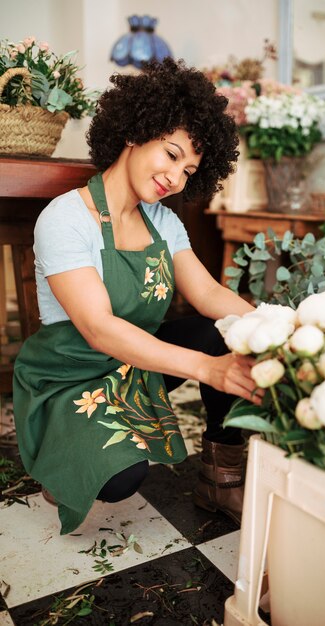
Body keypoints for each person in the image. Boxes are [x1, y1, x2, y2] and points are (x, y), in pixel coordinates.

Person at [13, 58, 262, 536]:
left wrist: (279, 326)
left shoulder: (163, 222)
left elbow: (208, 293)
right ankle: (58, 454)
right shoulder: (66, 218)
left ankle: (221, 475)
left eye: (189, 169)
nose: (176, 177)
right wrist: (206, 369)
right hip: (70, 376)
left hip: (133, 365)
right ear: (135, 132)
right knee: (121, 479)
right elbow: (99, 327)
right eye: (171, 154)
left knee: (227, 333)